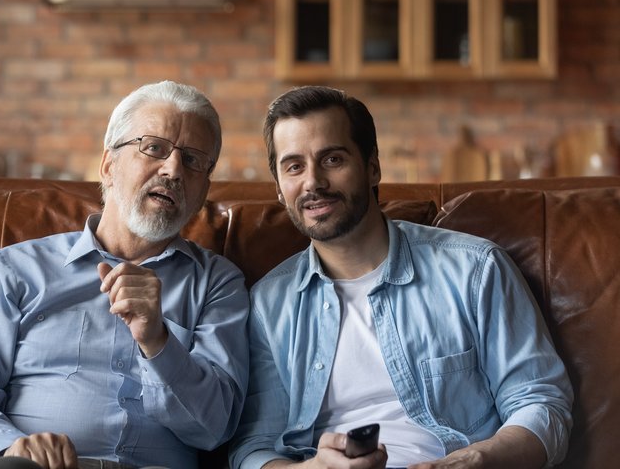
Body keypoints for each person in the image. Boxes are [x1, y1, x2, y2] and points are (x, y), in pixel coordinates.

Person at [229, 86, 573, 469]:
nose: (313, 182)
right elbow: (254, 447)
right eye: (294, 166)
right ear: (279, 187)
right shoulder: (267, 305)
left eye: (332, 159)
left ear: (372, 166)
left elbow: (541, 403)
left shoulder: (475, 270)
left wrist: (474, 460)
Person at [0, 80, 250, 469]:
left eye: (194, 160)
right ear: (108, 165)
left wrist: (158, 341)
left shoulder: (219, 284)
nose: (174, 169)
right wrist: (11, 447)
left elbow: (214, 428)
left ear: (203, 191)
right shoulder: (15, 269)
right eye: (154, 148)